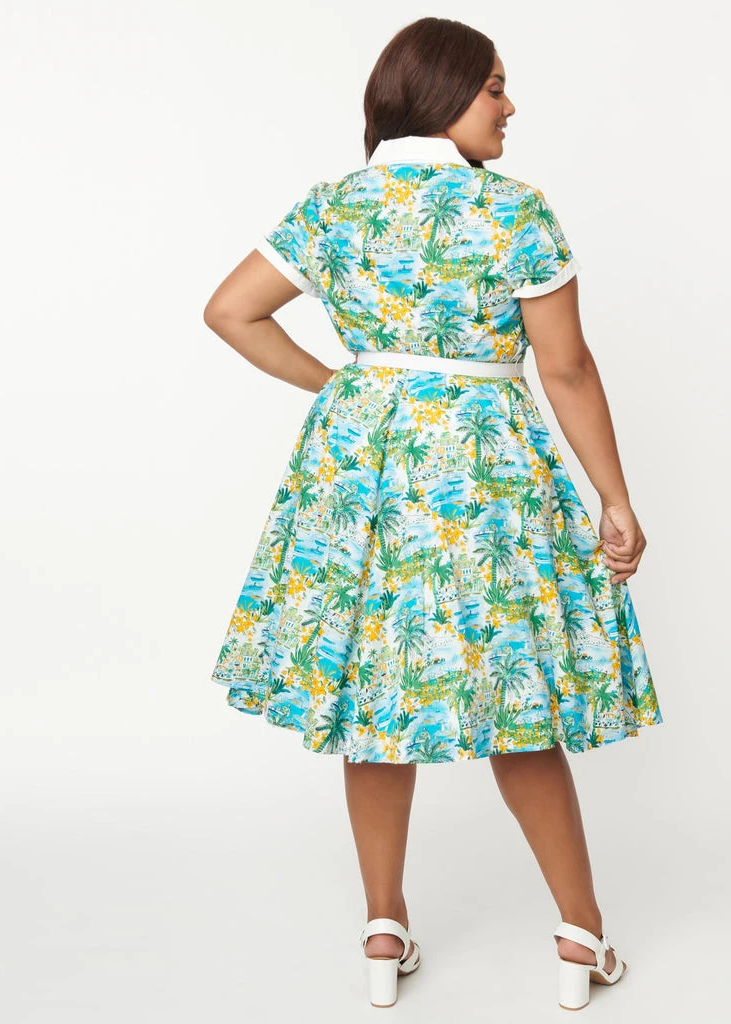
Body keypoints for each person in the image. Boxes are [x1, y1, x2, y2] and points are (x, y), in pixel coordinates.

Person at [203, 15, 663, 1012]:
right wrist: (614, 497)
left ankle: (382, 927)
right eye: (494, 87)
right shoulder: (513, 211)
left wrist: (345, 383)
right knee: (515, 691)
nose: (510, 105)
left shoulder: (334, 206)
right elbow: (566, 368)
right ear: (442, 91)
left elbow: (230, 311)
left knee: (374, 691)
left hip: (357, 468)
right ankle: (580, 934)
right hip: (487, 473)